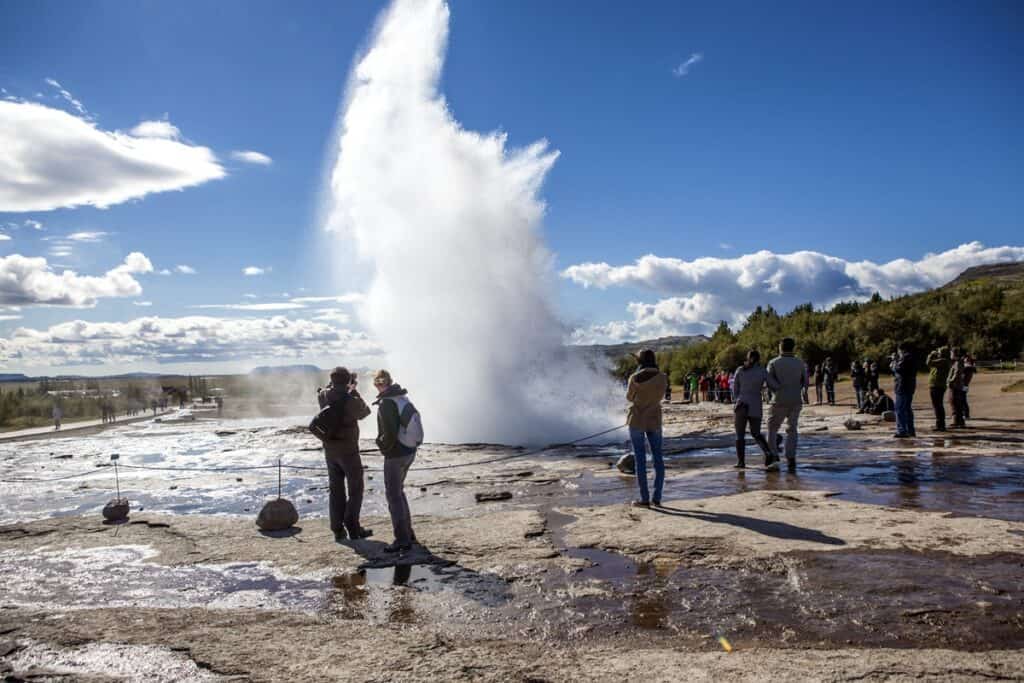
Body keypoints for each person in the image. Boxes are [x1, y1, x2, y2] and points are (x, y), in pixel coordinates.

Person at [318, 367, 373, 543]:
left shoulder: (324, 395)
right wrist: (354, 390)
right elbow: (365, 412)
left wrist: (342, 385)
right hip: (348, 451)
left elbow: (328, 390)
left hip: (330, 450)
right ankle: (353, 526)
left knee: (336, 490)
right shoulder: (350, 399)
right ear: (347, 380)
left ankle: (337, 530)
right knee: (356, 489)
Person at [373, 369, 419, 553]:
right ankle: (408, 534)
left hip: (396, 453)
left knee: (393, 495)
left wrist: (382, 446)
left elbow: (390, 433)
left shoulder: (387, 403)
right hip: (408, 450)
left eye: (377, 383)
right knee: (398, 491)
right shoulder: (401, 397)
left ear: (378, 384)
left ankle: (402, 539)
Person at [625, 349, 668, 507]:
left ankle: (644, 499)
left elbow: (629, 397)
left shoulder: (634, 378)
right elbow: (661, 396)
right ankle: (657, 497)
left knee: (640, 460)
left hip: (636, 419)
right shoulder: (663, 377)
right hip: (655, 419)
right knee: (658, 458)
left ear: (640, 361)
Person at [765, 338, 806, 471]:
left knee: (772, 429)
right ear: (792, 348)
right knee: (792, 429)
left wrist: (775, 391)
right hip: (795, 399)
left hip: (779, 399)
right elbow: (804, 382)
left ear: (780, 347)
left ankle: (774, 456)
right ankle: (791, 458)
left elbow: (769, 382)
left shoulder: (774, 362)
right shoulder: (800, 363)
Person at [732, 350, 772, 469]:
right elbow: (773, 385)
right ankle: (768, 453)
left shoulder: (740, 370)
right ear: (759, 359)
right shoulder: (762, 371)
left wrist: (738, 399)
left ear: (747, 358)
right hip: (755, 403)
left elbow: (735, 389)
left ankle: (741, 462)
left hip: (741, 404)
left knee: (740, 435)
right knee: (756, 433)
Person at [890, 342, 918, 438]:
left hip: (902, 386)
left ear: (901, 349)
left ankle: (901, 430)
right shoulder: (913, 358)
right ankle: (910, 430)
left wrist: (894, 363)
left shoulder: (905, 358)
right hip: (909, 386)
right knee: (907, 408)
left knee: (899, 409)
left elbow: (898, 369)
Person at [925, 346, 951, 431]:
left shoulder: (943, 361)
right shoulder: (942, 361)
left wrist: (931, 354)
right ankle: (940, 424)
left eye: (939, 352)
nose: (938, 353)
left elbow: (928, 363)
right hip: (937, 385)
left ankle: (940, 425)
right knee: (938, 405)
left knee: (937, 406)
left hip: (937, 385)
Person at [948, 348, 968, 428]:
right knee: (956, 403)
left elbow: (957, 373)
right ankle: (959, 421)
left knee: (954, 403)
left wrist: (951, 381)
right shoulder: (957, 362)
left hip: (955, 386)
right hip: (957, 385)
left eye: (951, 353)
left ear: (954, 353)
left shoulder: (957, 362)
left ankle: (956, 421)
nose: (950, 355)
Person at [963, 354, 977, 419]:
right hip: (965, 385)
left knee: (963, 400)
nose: (964, 359)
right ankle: (965, 414)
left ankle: (966, 414)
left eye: (966, 358)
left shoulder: (968, 367)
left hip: (964, 385)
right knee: (963, 400)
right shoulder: (970, 367)